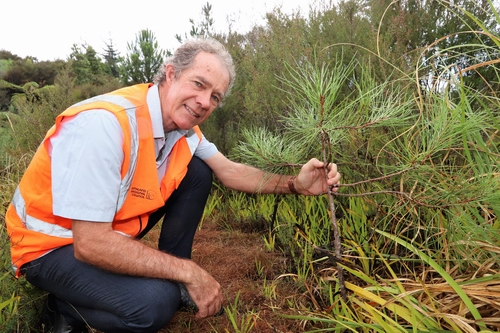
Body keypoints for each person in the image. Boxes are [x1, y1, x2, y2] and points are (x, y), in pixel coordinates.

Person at [6, 37, 341, 333]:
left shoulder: (183, 131)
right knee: (153, 306)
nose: (204, 101)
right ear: (170, 73)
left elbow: (230, 171)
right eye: (199, 83)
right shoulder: (106, 124)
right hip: (48, 247)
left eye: (215, 97)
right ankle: (64, 308)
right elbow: (91, 244)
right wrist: (190, 272)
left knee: (198, 171)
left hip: (105, 230)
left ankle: (172, 277)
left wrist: (295, 185)